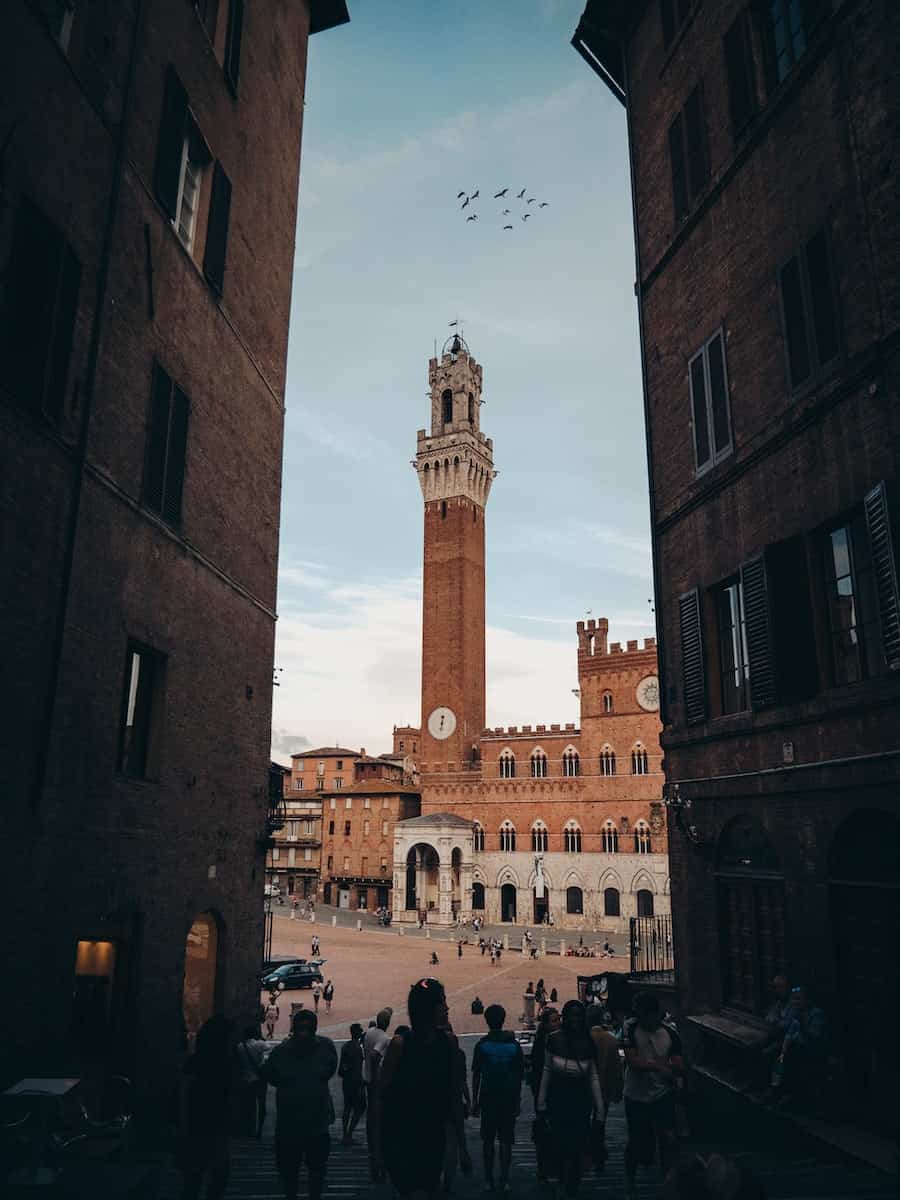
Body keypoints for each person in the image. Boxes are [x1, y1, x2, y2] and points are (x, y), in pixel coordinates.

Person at [378, 978, 471, 1198]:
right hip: (402, 1139)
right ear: (429, 1009)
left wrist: (462, 1147)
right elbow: (380, 1100)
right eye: (442, 1003)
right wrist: (378, 1152)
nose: (447, 1008)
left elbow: (454, 1096)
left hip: (434, 1138)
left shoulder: (449, 1043)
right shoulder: (400, 1045)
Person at [261, 1009, 338, 1200]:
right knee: (305, 1170)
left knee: (299, 1171)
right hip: (306, 1124)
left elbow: (271, 1076)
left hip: (299, 1124)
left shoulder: (281, 1052)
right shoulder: (326, 1047)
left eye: (306, 1029)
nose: (303, 1033)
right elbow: (329, 1070)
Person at [536, 1000, 604, 1198]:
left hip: (580, 1102)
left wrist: (599, 1109)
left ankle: (570, 1185)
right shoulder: (554, 1040)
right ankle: (564, 1182)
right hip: (559, 1100)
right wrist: (541, 1102)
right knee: (560, 1145)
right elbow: (546, 1071)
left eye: (578, 1016)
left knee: (576, 1147)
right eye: (571, 1015)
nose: (575, 1019)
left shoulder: (588, 1042)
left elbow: (593, 1076)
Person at [623, 991, 683, 1200]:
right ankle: (630, 1181)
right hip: (636, 1095)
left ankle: (668, 1180)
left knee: (668, 1138)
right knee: (636, 1141)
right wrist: (660, 1066)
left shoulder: (670, 1032)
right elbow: (632, 1062)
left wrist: (667, 1069)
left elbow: (678, 1062)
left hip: (662, 1094)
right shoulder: (630, 1028)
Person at [179, 1015, 234, 1200]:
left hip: (202, 1125)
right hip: (206, 1125)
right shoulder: (223, 1065)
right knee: (215, 1174)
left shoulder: (196, 1062)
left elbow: (184, 1094)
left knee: (196, 1177)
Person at [472, 1004, 524, 1195]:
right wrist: (518, 1100)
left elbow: (476, 1074)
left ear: (487, 1020)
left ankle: (488, 1179)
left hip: (488, 1097)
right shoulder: (513, 1046)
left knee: (487, 1140)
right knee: (505, 1141)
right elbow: (519, 1075)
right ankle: (504, 1178)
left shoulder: (482, 1045)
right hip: (508, 1098)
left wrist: (474, 1100)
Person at [776, 986, 827, 1106]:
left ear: (807, 1000)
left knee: (793, 1057)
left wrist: (802, 1023)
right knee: (777, 1052)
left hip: (811, 1050)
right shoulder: (797, 1014)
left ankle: (793, 1096)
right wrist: (783, 1049)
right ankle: (777, 1090)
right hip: (796, 1048)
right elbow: (789, 1034)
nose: (795, 1002)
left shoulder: (816, 1014)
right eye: (794, 999)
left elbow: (814, 1037)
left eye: (799, 999)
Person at [586, 1006, 624, 1165]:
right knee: (600, 1119)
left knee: (584, 1117)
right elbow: (617, 1067)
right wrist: (618, 1088)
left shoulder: (583, 1037)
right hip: (605, 1086)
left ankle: (588, 1147)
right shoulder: (611, 1040)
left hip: (584, 1086)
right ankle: (598, 1145)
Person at [362, 1007, 393, 1182]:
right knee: (378, 1115)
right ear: (387, 1023)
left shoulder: (370, 1032)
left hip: (366, 1077)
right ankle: (377, 1150)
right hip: (375, 1081)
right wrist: (376, 1077)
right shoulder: (383, 1038)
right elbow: (375, 1056)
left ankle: (371, 1145)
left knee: (370, 1114)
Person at [235, 1024, 269, 1138]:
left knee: (247, 1105)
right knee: (261, 1104)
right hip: (260, 1078)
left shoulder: (240, 1046)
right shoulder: (260, 1044)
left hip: (246, 1077)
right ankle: (259, 1129)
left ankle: (247, 1128)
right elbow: (268, 1048)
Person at [339, 1023, 366, 1145]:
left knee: (347, 1107)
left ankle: (345, 1134)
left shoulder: (345, 1046)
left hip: (346, 1081)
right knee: (360, 1108)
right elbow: (358, 1068)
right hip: (356, 1082)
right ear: (358, 1033)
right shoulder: (358, 1049)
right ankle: (349, 1133)